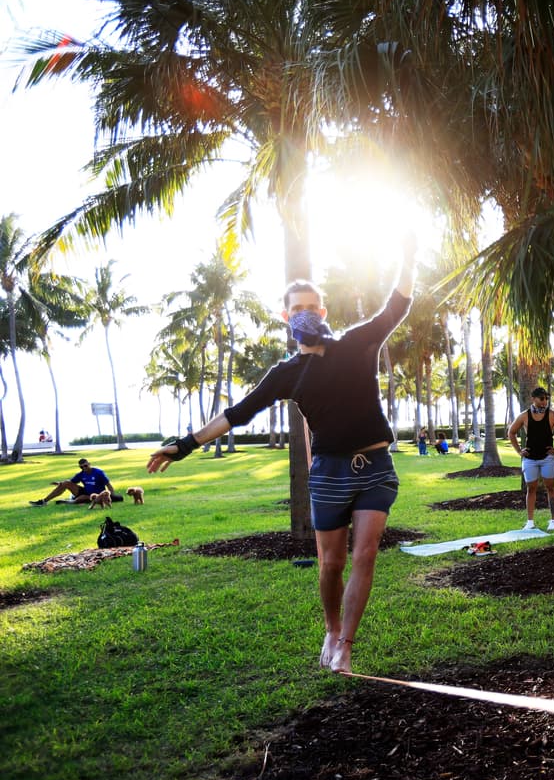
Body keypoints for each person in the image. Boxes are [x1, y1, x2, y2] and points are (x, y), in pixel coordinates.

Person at [147, 236, 416, 675]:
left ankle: (345, 646)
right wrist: (185, 445)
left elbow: (397, 306)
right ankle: (331, 628)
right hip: (328, 474)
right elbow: (236, 414)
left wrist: (409, 255)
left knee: (364, 554)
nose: (305, 313)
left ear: (323, 312)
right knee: (331, 564)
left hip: (375, 469)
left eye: (312, 306)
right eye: (297, 309)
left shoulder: (357, 343)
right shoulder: (286, 373)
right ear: (286, 317)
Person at [508, 386, 554, 532]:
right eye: (542, 398)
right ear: (533, 399)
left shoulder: (553, 415)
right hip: (530, 459)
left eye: (546, 399)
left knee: (550, 488)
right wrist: (519, 451)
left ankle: (553, 520)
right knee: (531, 489)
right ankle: (530, 522)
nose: (545, 401)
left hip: (547, 459)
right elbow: (511, 432)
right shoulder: (524, 416)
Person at [30, 458, 122, 506]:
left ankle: (69, 502)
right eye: (81, 467)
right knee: (65, 482)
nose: (84, 468)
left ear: (89, 464)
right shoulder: (81, 474)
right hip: (85, 491)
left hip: (96, 494)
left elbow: (108, 485)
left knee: (82, 498)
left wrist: (111, 496)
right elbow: (71, 482)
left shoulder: (98, 472)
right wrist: (59, 484)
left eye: (85, 466)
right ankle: (44, 501)